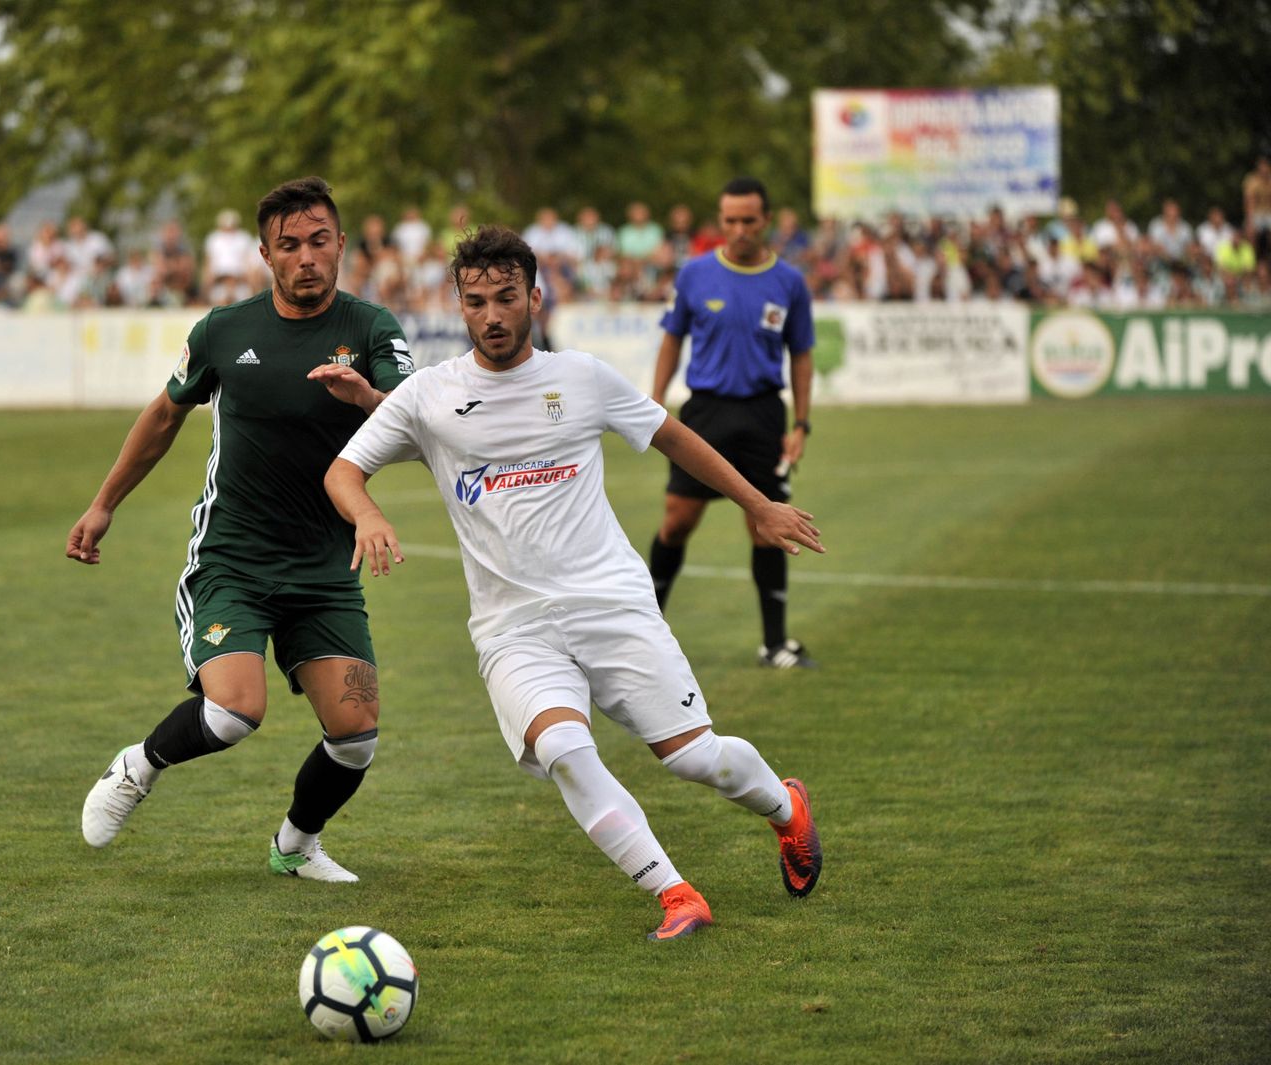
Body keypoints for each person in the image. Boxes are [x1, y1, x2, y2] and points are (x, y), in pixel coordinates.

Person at [319, 225, 824, 942]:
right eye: (475, 301)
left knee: (693, 757)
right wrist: (366, 514)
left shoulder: (581, 378)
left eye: (505, 297)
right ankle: (676, 893)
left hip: (611, 602)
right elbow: (343, 470)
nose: (491, 315)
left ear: (535, 296)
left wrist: (759, 503)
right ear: (458, 305)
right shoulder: (428, 395)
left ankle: (786, 807)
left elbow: (673, 436)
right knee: (562, 750)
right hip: (513, 628)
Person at [69, 176, 416, 883]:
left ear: (342, 244)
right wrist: (105, 502)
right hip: (235, 562)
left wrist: (368, 398)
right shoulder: (225, 332)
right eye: (289, 245)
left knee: (355, 736)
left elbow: (413, 415)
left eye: (320, 241)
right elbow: (164, 415)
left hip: (324, 570)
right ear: (264, 254)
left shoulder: (373, 328)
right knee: (234, 711)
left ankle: (295, 844)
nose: (307, 257)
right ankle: (138, 765)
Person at [644, 177, 818, 669]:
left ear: (766, 221)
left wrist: (801, 424)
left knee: (767, 524)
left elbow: (801, 356)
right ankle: (646, 633)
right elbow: (672, 339)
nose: (739, 229)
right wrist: (655, 402)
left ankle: (776, 643)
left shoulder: (789, 283)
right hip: (705, 413)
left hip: (764, 413)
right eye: (730, 221)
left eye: (749, 220)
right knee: (677, 521)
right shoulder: (695, 275)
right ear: (721, 222)